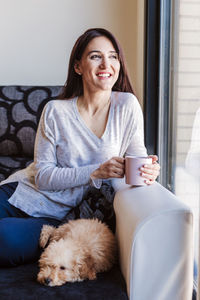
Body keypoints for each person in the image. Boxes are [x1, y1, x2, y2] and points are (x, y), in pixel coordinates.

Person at [0, 28, 160, 267]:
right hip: (21, 194)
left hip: (59, 217)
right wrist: (96, 171)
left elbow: (136, 162)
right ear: (78, 67)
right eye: (95, 56)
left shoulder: (127, 106)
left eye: (113, 56)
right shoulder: (56, 110)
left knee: (4, 239)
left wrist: (150, 172)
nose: (106, 63)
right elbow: (43, 178)